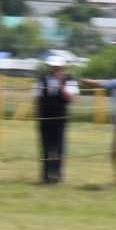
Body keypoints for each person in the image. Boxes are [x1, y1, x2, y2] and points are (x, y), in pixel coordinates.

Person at [32, 55, 77, 183]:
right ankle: (45, 176)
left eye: (57, 67)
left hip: (60, 120)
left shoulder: (69, 80)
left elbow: (71, 99)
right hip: (44, 120)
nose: (54, 69)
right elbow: (37, 99)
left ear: (62, 67)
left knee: (59, 150)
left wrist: (61, 85)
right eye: (52, 66)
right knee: (45, 149)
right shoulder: (41, 80)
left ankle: (57, 176)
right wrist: (37, 115)